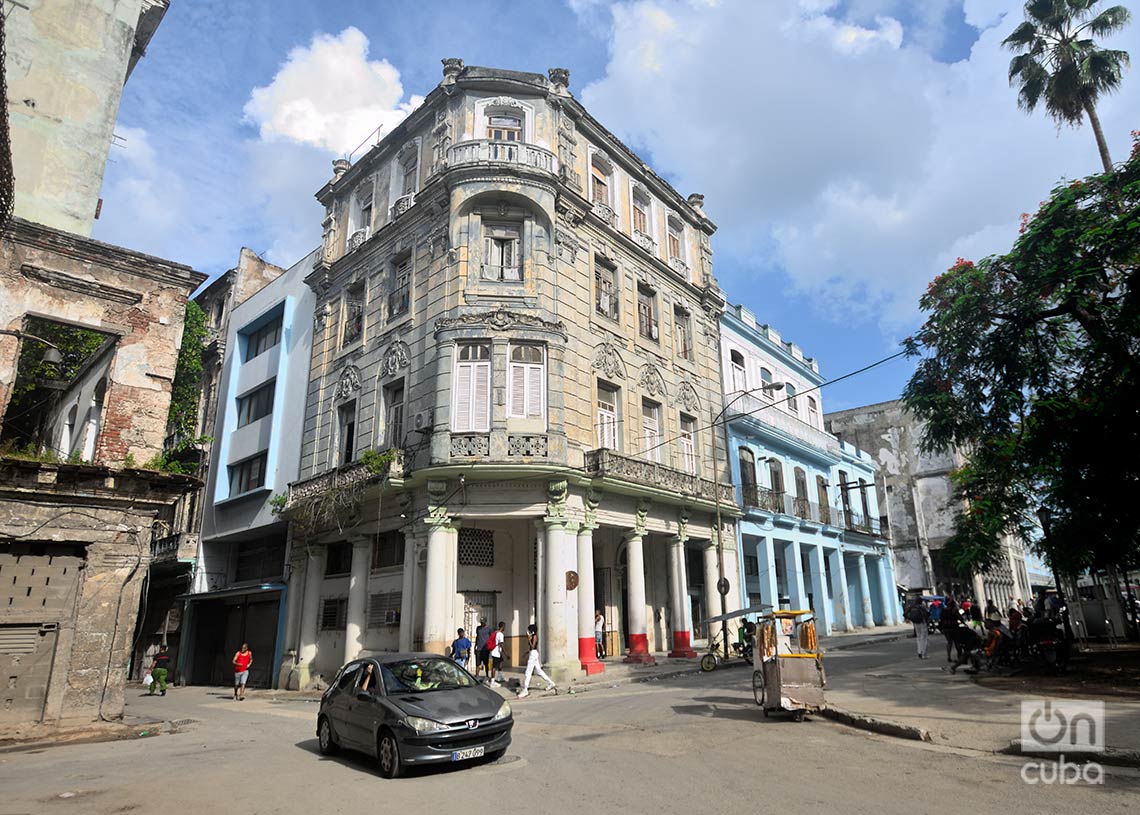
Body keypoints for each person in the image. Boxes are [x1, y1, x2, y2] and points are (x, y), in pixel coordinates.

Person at [517, 624, 557, 698]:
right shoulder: (532, 636)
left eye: (529, 630)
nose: (528, 631)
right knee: (539, 671)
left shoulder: (534, 637)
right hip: (533, 654)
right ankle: (551, 683)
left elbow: (533, 647)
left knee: (528, 672)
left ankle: (525, 689)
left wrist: (529, 640)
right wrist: (526, 653)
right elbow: (531, 648)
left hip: (533, 654)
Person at [488, 622, 506, 687]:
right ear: (503, 627)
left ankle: (499, 676)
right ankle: (492, 682)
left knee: (501, 662)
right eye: (504, 626)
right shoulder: (500, 634)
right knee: (494, 667)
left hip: (496, 652)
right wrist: (506, 653)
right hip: (496, 652)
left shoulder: (496, 632)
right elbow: (501, 644)